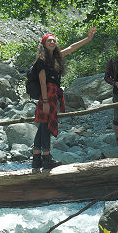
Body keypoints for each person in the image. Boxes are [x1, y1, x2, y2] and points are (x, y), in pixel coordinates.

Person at [31, 27, 97, 172]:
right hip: (47, 94)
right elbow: (42, 82)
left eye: (54, 40)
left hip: (52, 94)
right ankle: (46, 158)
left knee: (43, 125)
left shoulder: (56, 57)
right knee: (46, 126)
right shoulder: (41, 60)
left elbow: (72, 47)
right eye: (49, 40)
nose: (53, 42)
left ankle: (37, 159)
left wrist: (88, 38)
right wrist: (46, 101)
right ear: (43, 43)